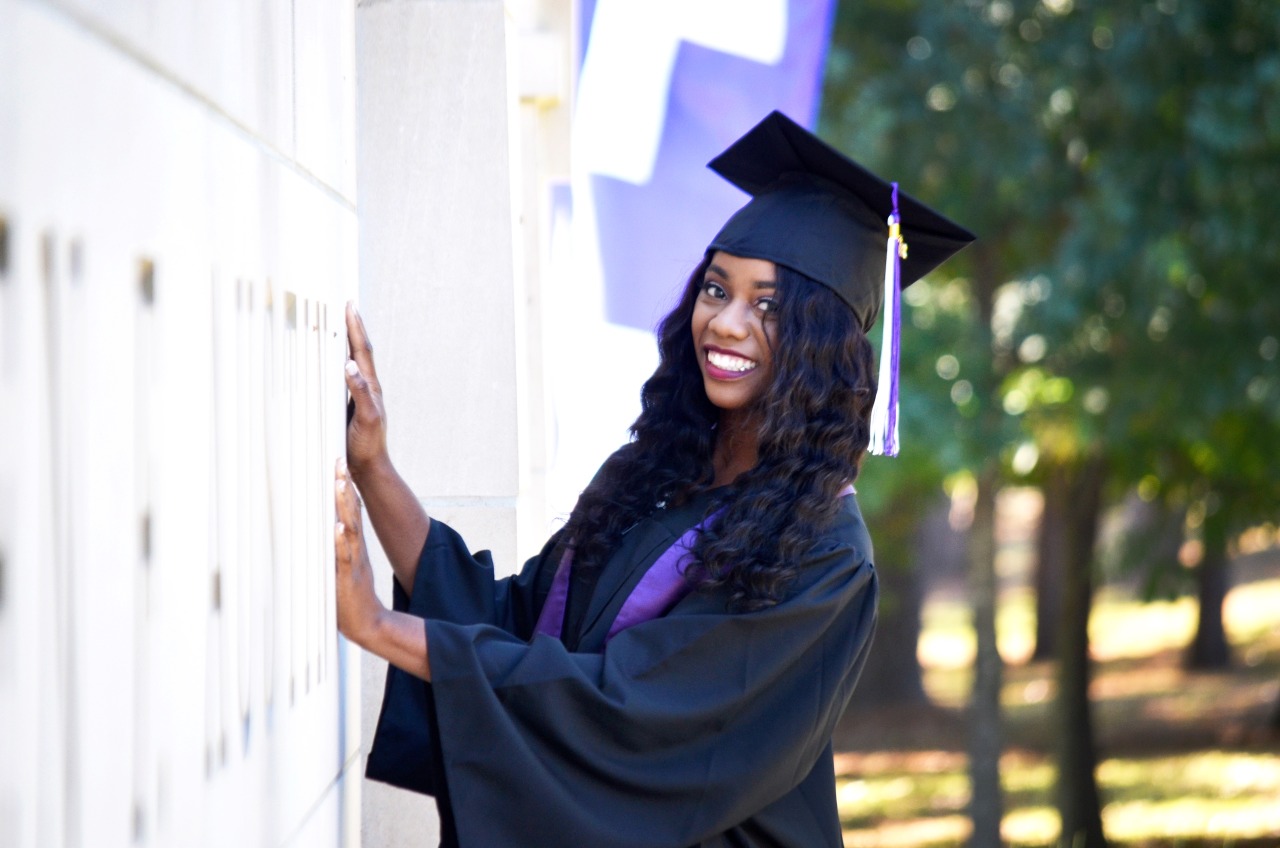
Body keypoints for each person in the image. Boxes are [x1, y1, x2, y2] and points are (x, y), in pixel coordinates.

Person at [333, 111, 974, 848]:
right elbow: (515, 621)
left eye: (769, 306)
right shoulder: (656, 480)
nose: (727, 322)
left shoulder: (824, 556)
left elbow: (630, 712)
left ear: (821, 345)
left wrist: (380, 629)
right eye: (716, 289)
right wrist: (373, 467)